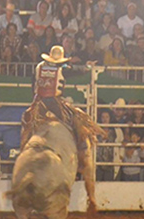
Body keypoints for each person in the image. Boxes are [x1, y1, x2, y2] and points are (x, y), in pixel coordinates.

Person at [21, 45, 105, 210]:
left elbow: (33, 86)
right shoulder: (62, 69)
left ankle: (22, 151)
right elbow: (76, 70)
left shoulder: (38, 67)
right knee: (76, 121)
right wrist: (88, 66)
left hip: (38, 103)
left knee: (26, 123)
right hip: (54, 103)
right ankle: (82, 151)